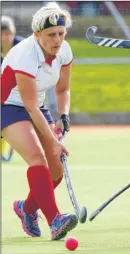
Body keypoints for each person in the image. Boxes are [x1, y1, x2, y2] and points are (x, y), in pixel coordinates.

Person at [1, 2, 77, 240]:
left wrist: (63, 116)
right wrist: (54, 141)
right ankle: (56, 221)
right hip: (8, 107)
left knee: (56, 170)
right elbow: (29, 105)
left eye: (61, 34)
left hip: (37, 107)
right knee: (38, 157)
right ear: (37, 35)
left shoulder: (64, 51)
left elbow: (63, 90)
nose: (57, 40)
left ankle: (28, 208)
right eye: (51, 35)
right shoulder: (25, 54)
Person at [1, 15, 24, 162]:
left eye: (8, 34)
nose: (4, 38)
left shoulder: (22, 47)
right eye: (1, 34)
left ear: (13, 33)